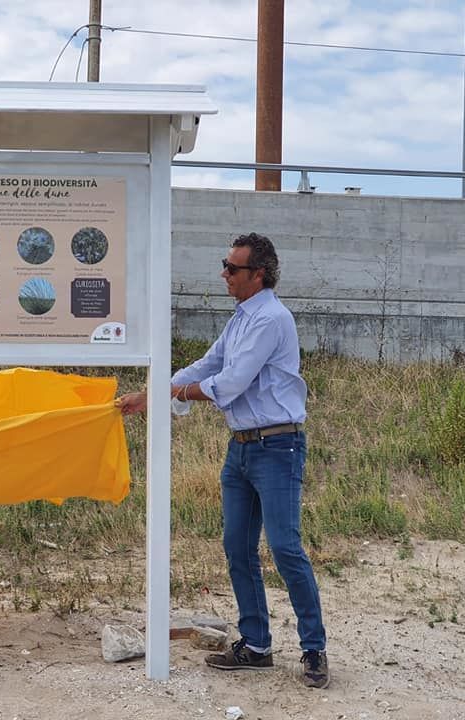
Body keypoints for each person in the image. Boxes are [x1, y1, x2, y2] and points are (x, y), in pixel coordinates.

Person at [116, 233, 329, 689]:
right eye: (225, 265)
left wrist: (173, 393)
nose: (224, 274)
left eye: (233, 268)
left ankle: (314, 649)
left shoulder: (271, 319)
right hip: (243, 449)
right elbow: (207, 365)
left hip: (277, 447)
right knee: (237, 547)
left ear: (259, 275)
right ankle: (256, 646)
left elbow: (227, 385)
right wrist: (150, 395)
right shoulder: (241, 318)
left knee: (286, 548)